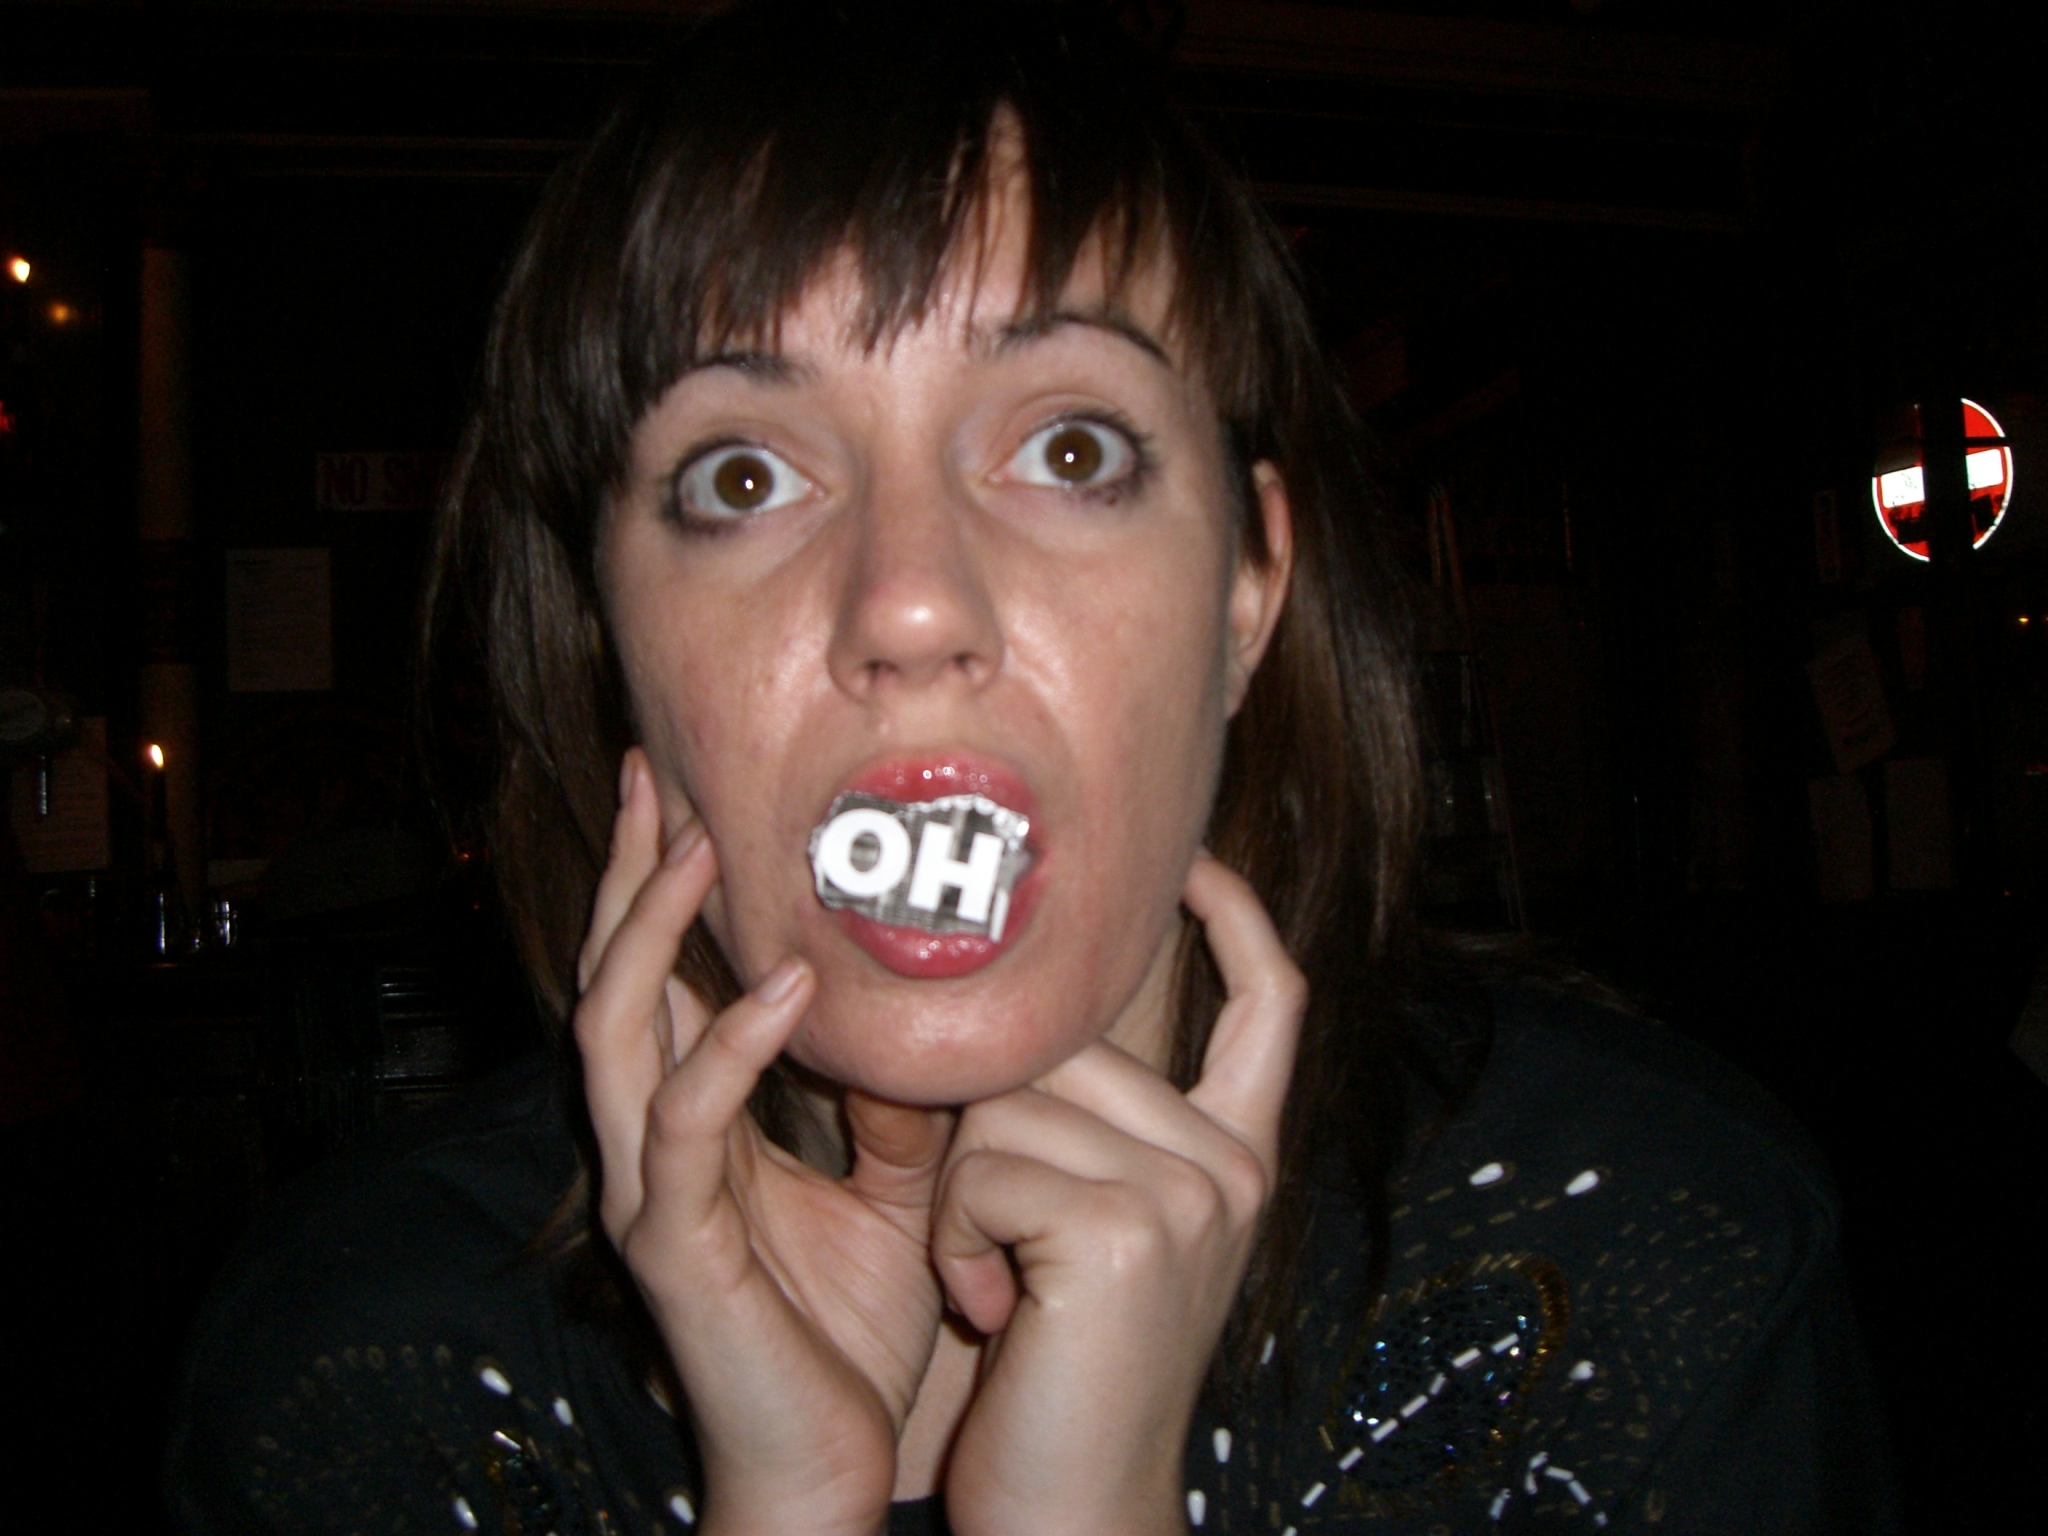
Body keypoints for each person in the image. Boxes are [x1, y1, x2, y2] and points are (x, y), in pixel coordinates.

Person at [167, 4, 1897, 1532]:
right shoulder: (363, 1381)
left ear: (1249, 586)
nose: (911, 605)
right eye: (743, 478)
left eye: (1070, 449)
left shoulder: (1651, 1253)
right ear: (611, 636)